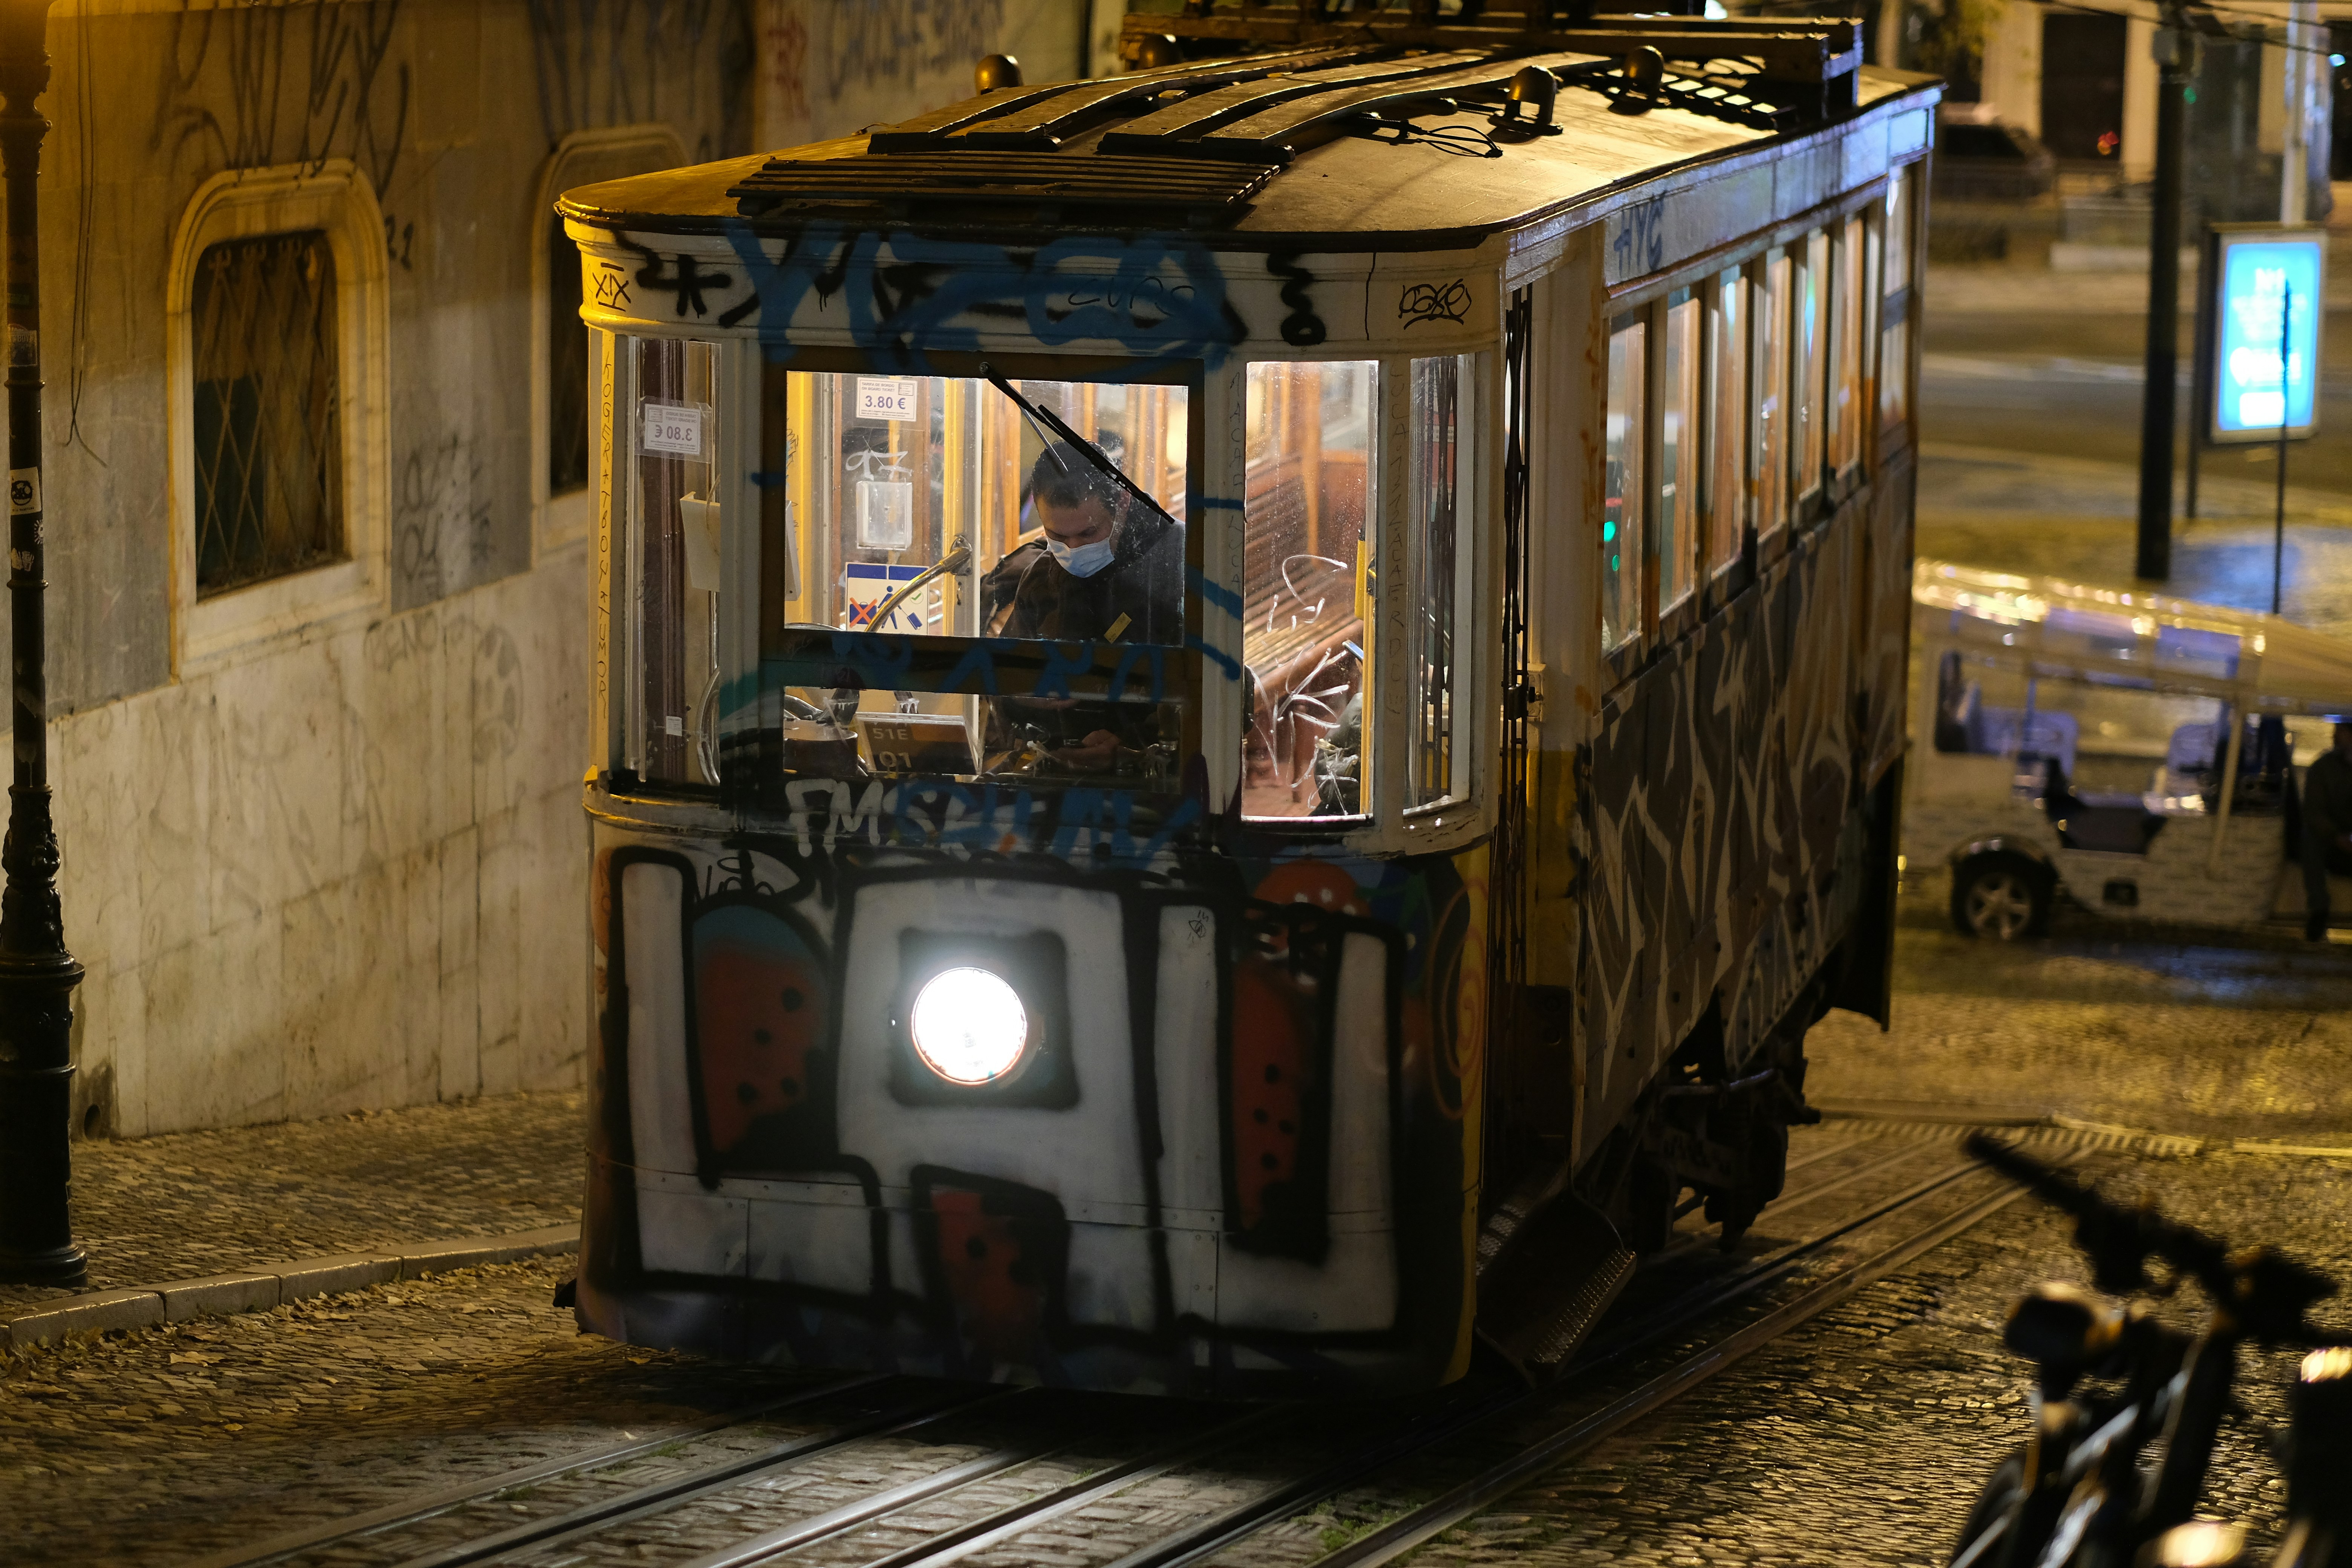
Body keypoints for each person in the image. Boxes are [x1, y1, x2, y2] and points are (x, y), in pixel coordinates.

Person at [995, 442, 1185, 772]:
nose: (1073, 549)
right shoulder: (1041, 576)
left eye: (1088, 533)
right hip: (1057, 772)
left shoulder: (1181, 565)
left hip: (1161, 781)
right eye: (1057, 536)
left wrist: (1134, 746)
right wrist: (1024, 695)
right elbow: (1002, 679)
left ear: (1124, 502)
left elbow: (1207, 693)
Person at [2302, 720, 2352, 940]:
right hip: (2333, 845)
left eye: (2342, 731)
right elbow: (2314, 811)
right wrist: (2336, 836)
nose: (2335, 735)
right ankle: (2319, 911)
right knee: (2310, 839)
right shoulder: (2323, 769)